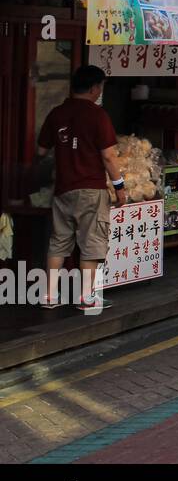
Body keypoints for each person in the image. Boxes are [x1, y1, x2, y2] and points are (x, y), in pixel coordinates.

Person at [36, 65, 127, 311]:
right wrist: (120, 186)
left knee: (58, 241)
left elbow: (41, 150)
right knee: (91, 241)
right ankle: (86, 297)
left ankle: (48, 295)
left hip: (63, 188)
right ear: (95, 87)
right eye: (100, 87)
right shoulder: (98, 115)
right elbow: (108, 156)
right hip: (91, 189)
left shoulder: (57, 113)